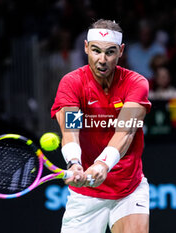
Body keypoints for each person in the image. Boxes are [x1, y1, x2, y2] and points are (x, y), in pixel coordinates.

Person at [51, 19, 151, 233]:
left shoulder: (136, 83)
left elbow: (126, 131)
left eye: (110, 52)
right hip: (85, 195)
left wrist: (103, 164)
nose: (102, 60)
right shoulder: (72, 83)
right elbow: (70, 128)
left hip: (128, 189)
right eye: (96, 51)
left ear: (121, 51)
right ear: (86, 47)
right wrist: (74, 162)